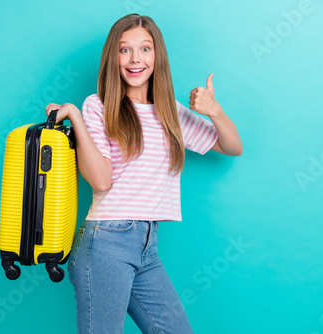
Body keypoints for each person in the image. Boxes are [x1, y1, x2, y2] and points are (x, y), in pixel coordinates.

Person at [45, 13, 242, 334]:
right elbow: (101, 180)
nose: (135, 59)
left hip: (146, 245)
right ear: (114, 56)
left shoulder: (170, 110)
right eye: (124, 50)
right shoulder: (99, 106)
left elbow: (232, 146)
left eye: (145, 49)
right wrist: (76, 119)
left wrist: (214, 112)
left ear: (157, 55)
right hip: (106, 242)